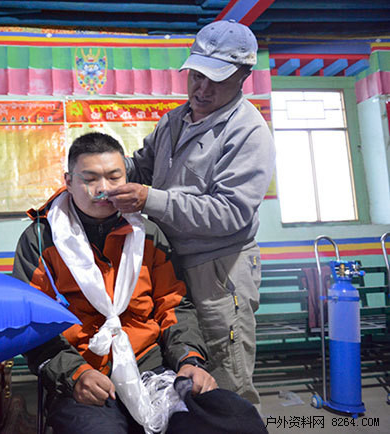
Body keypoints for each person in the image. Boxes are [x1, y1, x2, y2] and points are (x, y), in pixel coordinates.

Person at [107, 20, 276, 410]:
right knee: (179, 379)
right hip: (170, 266)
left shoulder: (248, 133)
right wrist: (108, 171)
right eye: (197, 75)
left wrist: (149, 199)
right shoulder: (174, 120)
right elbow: (143, 165)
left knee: (224, 384)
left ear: (244, 76)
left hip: (218, 273)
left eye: (217, 80)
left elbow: (230, 212)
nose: (202, 88)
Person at [12, 132, 217, 433]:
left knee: (223, 418)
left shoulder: (147, 234)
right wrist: (75, 374)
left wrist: (189, 360)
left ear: (126, 178)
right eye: (90, 179)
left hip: (150, 368)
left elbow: (173, 306)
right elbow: (34, 324)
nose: (103, 189)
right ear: (68, 181)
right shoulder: (41, 240)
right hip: (83, 378)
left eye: (113, 177)